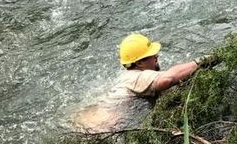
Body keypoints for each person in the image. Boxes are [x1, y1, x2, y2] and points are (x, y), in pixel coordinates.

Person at [73, 33, 202, 131]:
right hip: (105, 127)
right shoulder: (139, 77)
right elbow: (167, 79)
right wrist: (203, 61)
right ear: (139, 63)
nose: (157, 57)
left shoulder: (124, 77)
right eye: (152, 55)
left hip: (89, 122)